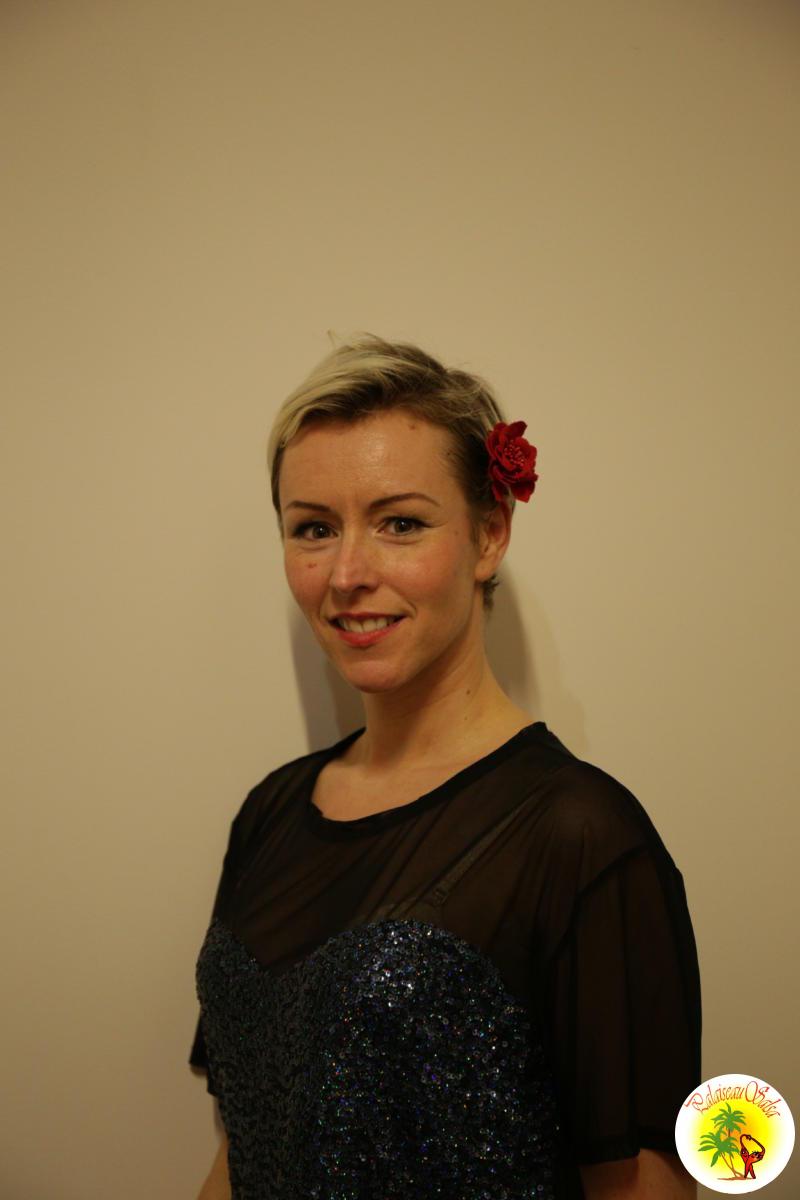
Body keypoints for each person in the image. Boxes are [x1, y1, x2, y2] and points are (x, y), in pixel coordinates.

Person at [188, 332, 702, 1199]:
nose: (347, 573)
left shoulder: (581, 838)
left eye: (400, 523)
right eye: (314, 528)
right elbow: (242, 1148)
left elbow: (641, 1188)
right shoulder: (269, 812)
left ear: (490, 534)